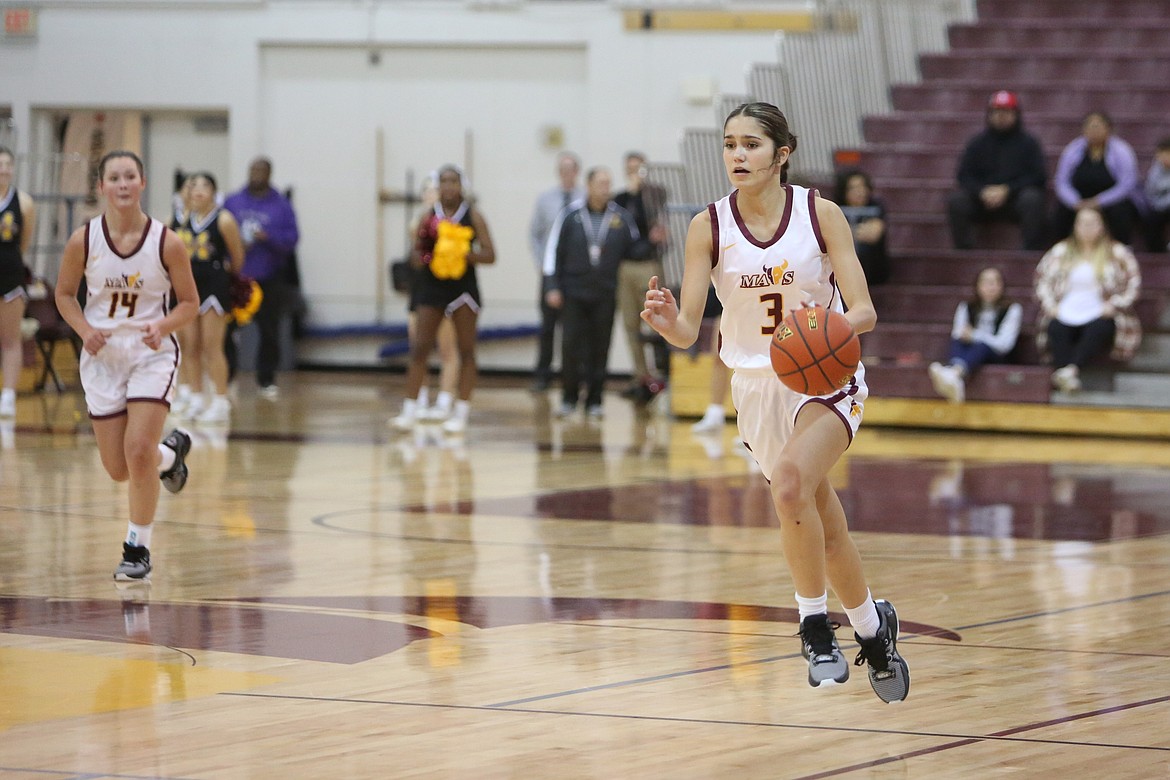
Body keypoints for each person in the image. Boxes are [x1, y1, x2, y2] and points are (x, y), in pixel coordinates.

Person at [641, 101, 909, 702]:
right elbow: (689, 330)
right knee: (822, 524)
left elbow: (863, 309)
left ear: (781, 154)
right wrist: (666, 323)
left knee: (788, 483)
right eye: (730, 145)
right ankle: (871, 628)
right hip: (755, 388)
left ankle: (814, 624)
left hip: (823, 378)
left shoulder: (821, 214)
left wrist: (828, 328)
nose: (738, 155)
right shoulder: (708, 226)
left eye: (751, 145)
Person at [53, 150, 198, 581]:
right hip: (102, 355)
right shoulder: (83, 239)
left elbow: (189, 303)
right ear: (101, 187)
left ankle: (137, 548)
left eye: (129, 176)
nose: (121, 184)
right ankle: (170, 457)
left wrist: (163, 324)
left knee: (137, 452)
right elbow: (64, 295)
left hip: (152, 353)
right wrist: (84, 330)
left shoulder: (167, 242)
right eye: (113, 177)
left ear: (142, 182)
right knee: (119, 468)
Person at [390, 164, 495, 434]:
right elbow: (415, 256)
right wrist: (430, 255)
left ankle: (460, 412)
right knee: (420, 348)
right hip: (432, 288)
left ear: (462, 186)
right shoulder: (428, 218)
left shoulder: (474, 216)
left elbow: (490, 255)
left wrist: (462, 253)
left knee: (466, 349)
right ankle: (410, 409)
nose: (449, 187)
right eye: (444, 182)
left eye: (454, 182)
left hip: (463, 290)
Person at [544, 166, 648, 419]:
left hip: (605, 293)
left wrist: (655, 241)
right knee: (570, 347)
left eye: (608, 183)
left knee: (600, 348)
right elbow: (553, 251)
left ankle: (594, 400)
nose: (605, 187)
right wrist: (552, 286)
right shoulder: (570, 216)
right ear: (588, 185)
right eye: (601, 182)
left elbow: (635, 249)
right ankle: (569, 399)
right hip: (573, 293)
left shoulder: (621, 218)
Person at [1034, 206, 1142, 393]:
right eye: (1083, 223)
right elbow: (1041, 280)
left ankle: (1070, 371)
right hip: (1065, 310)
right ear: (1075, 226)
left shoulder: (1117, 252)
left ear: (1102, 226)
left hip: (1100, 311)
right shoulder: (1060, 251)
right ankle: (1065, 375)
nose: (1087, 228)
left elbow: (1134, 284)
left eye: (1092, 223)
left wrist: (1115, 304)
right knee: (1055, 327)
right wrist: (1050, 306)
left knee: (1100, 327)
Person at [170, 173, 245, 423]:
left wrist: (227, 278)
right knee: (190, 345)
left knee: (212, 346)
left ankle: (221, 400)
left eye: (205, 185)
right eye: (194, 186)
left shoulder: (223, 220)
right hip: (189, 286)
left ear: (214, 191)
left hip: (215, 285)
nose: (199, 190)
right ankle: (196, 396)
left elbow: (237, 257)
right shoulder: (184, 220)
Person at [223, 156, 300, 399]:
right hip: (236, 277)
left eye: (261, 170)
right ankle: (227, 377)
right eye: (253, 169)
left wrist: (268, 238)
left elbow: (292, 240)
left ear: (269, 173)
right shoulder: (233, 202)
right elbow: (218, 235)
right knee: (227, 330)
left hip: (268, 277)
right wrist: (235, 246)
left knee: (269, 331)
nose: (256, 174)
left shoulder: (280, 205)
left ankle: (266, 380)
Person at [947, 90, 1048, 251]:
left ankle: (1030, 251)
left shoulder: (1029, 143)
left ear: (1016, 115)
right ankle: (964, 251)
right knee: (957, 201)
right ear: (989, 114)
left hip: (1014, 200)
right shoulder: (977, 143)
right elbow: (963, 176)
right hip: (982, 201)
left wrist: (1007, 190)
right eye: (996, 112)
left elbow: (1038, 176)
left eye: (1006, 112)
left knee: (1033, 199)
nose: (1001, 116)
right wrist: (982, 191)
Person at [613, 151, 669, 398]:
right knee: (630, 323)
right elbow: (624, 225)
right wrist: (633, 192)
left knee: (656, 321)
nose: (635, 173)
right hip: (626, 264)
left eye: (639, 168)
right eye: (631, 168)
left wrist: (640, 191)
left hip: (649, 263)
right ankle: (640, 375)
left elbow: (653, 214)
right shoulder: (621, 198)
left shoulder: (655, 193)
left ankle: (661, 373)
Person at [528, 152, 584, 392]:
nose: (567, 173)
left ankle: (572, 377)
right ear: (558, 172)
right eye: (563, 168)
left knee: (574, 328)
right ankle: (543, 375)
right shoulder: (545, 199)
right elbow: (535, 234)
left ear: (577, 171)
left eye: (571, 168)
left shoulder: (585, 198)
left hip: (576, 273)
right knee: (548, 326)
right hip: (551, 272)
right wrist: (543, 264)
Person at [406, 172, 459, 421]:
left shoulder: (452, 222)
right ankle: (420, 398)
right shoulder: (421, 222)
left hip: (445, 293)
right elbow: (416, 257)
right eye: (426, 190)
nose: (430, 194)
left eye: (433, 189)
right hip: (420, 292)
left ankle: (446, 400)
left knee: (448, 349)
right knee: (418, 348)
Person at [928, 266, 1023, 403]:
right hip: (969, 354)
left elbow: (1004, 345)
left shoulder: (1012, 309)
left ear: (1002, 286)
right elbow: (958, 333)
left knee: (981, 346)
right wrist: (970, 336)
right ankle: (955, 374)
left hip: (997, 356)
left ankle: (954, 374)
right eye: (986, 282)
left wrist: (976, 335)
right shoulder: (966, 306)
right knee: (958, 341)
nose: (990, 287)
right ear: (977, 285)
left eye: (994, 283)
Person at [1052, 111, 1142, 247]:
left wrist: (1099, 201)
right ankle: (1062, 248)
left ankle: (1122, 248)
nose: (1094, 131)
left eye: (1098, 126)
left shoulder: (1121, 150)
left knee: (1121, 210)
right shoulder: (1073, 150)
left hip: (1111, 200)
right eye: (1090, 127)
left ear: (1108, 129)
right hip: (1080, 200)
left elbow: (1127, 184)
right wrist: (1074, 201)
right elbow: (1062, 181)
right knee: (1061, 210)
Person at [0, 146, 37, 419]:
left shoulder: (23, 202)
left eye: (8, 165)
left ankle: (8, 396)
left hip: (11, 275)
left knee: (11, 339)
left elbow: (24, 242)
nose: (4, 170)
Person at [833, 168, 889, 286]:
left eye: (862, 187)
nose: (859, 191)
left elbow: (873, 234)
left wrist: (847, 230)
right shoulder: (835, 207)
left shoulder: (875, 205)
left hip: (873, 268)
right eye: (853, 188)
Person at [1141, 135, 1170, 253]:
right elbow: (1150, 191)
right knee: (1150, 218)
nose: (1165, 158)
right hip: (1160, 206)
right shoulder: (1155, 170)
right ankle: (1156, 252)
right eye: (1162, 154)